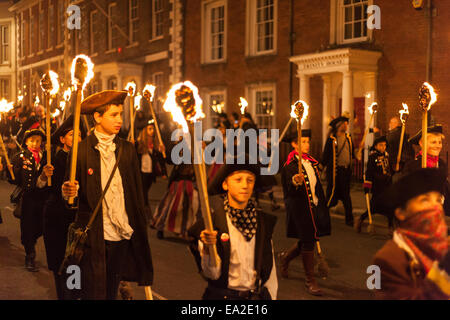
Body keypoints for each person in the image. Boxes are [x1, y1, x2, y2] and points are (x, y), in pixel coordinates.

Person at [61, 90, 154, 300]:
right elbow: (70, 197)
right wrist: (69, 192)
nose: (119, 119)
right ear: (97, 117)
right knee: (93, 291)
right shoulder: (81, 151)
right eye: (113, 114)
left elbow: (136, 196)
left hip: (120, 235)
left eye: (120, 114)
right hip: (94, 237)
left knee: (111, 290)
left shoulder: (128, 150)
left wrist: (140, 229)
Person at [188, 156, 278, 300]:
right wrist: (208, 248)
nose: (245, 185)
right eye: (238, 180)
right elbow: (212, 274)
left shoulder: (262, 222)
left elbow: (270, 271)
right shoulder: (212, 223)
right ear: (225, 184)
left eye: (250, 180)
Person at [372, 168, 450, 299]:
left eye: (438, 200)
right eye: (424, 200)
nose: (435, 207)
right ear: (401, 213)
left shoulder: (442, 246)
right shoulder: (387, 259)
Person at [279, 130, 331, 296]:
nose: (307, 144)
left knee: (306, 238)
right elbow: (289, 185)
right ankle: (310, 281)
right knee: (308, 240)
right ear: (294, 144)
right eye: (303, 141)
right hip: (299, 207)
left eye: (308, 141)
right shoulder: (290, 165)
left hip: (313, 205)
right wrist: (295, 181)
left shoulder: (310, 163)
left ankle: (286, 258)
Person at [39, 115, 81, 299]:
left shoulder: (86, 158)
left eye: (79, 135)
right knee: (59, 263)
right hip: (57, 218)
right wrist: (43, 176)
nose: (77, 138)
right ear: (63, 139)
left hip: (78, 219)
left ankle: (73, 294)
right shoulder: (53, 159)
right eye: (72, 135)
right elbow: (39, 188)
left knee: (76, 262)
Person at [7, 128, 47, 272]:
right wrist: (9, 171)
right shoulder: (20, 157)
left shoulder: (46, 157)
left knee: (42, 226)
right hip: (28, 198)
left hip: (42, 197)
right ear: (26, 142)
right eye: (32, 140)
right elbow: (14, 180)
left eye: (38, 140)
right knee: (28, 227)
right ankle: (30, 255)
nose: (35, 143)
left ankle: (32, 240)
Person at [151, 135, 200, 239]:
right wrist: (162, 152)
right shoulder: (180, 148)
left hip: (191, 182)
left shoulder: (197, 148)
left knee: (193, 208)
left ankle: (187, 231)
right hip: (179, 182)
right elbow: (170, 160)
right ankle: (160, 227)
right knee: (171, 207)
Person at [403, 124, 449, 215]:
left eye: (439, 142)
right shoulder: (413, 166)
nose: (438, 146)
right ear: (421, 143)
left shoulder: (441, 164)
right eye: (433, 142)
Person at [321, 116, 355, 226]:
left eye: (346, 123)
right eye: (344, 123)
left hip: (345, 172)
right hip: (335, 173)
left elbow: (352, 153)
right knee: (331, 196)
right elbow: (326, 155)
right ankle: (322, 216)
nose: (346, 125)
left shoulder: (349, 138)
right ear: (338, 126)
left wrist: (355, 155)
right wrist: (320, 167)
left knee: (346, 196)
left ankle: (349, 219)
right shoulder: (332, 139)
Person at [355, 136, 394, 232]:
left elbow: (391, 170)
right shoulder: (373, 157)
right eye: (381, 145)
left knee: (390, 207)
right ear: (376, 146)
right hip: (378, 186)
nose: (383, 147)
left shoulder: (387, 156)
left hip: (387, 185)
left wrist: (397, 167)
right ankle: (361, 219)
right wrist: (367, 186)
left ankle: (391, 227)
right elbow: (369, 172)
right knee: (373, 208)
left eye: (384, 145)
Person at [136, 119, 167, 209]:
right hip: (142, 171)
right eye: (150, 129)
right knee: (143, 191)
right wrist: (132, 145)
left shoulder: (156, 143)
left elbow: (161, 160)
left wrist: (164, 172)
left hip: (150, 171)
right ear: (145, 131)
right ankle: (145, 208)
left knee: (146, 190)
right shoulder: (139, 143)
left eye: (153, 129)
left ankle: (144, 207)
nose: (152, 131)